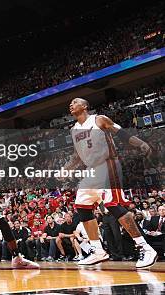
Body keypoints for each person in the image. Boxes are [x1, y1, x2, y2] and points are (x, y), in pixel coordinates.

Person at [64, 97, 157, 268]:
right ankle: (98, 250)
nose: (71, 104)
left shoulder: (99, 119)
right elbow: (78, 155)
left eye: (75, 102)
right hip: (91, 170)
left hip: (108, 165)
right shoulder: (74, 130)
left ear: (85, 106)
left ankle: (146, 247)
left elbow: (121, 133)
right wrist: (67, 168)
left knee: (113, 204)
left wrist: (141, 143)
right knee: (82, 206)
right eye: (70, 103)